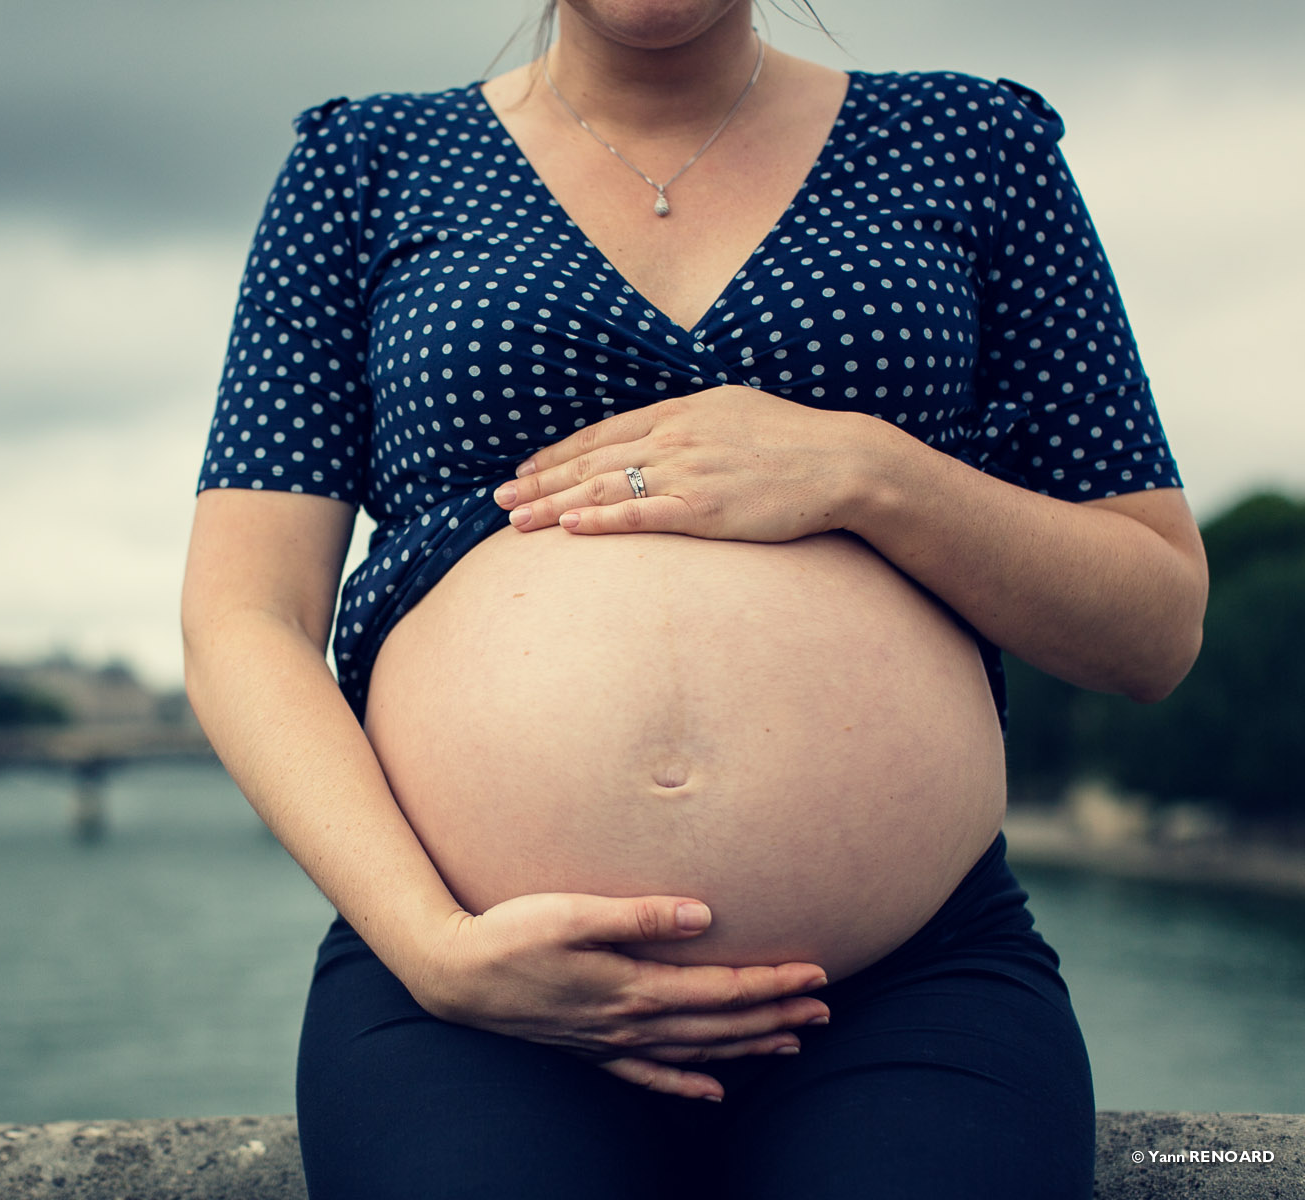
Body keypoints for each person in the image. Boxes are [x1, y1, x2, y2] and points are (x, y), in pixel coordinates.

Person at [181, 2, 1208, 1196]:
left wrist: (874, 472)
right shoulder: (363, 167)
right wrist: (434, 947)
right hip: (470, 982)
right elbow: (245, 616)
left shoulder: (973, 143)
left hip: (907, 981)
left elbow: (1156, 623)